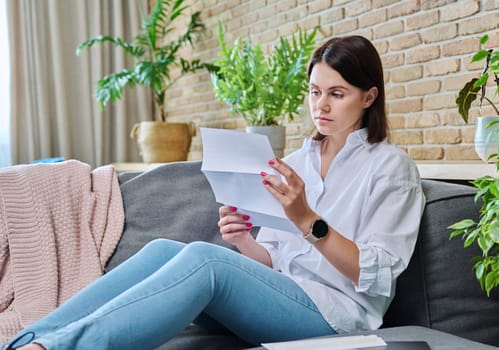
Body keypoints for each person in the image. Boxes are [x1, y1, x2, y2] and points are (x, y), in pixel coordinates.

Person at [2, 35, 425, 350]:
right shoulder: (297, 161)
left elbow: (375, 275)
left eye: (337, 94)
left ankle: (54, 349)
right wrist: (243, 240)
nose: (322, 106)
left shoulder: (391, 168)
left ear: (369, 96)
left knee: (205, 261)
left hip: (337, 317)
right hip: (281, 295)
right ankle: (27, 340)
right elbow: (275, 258)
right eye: (315, 92)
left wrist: (306, 220)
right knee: (164, 249)